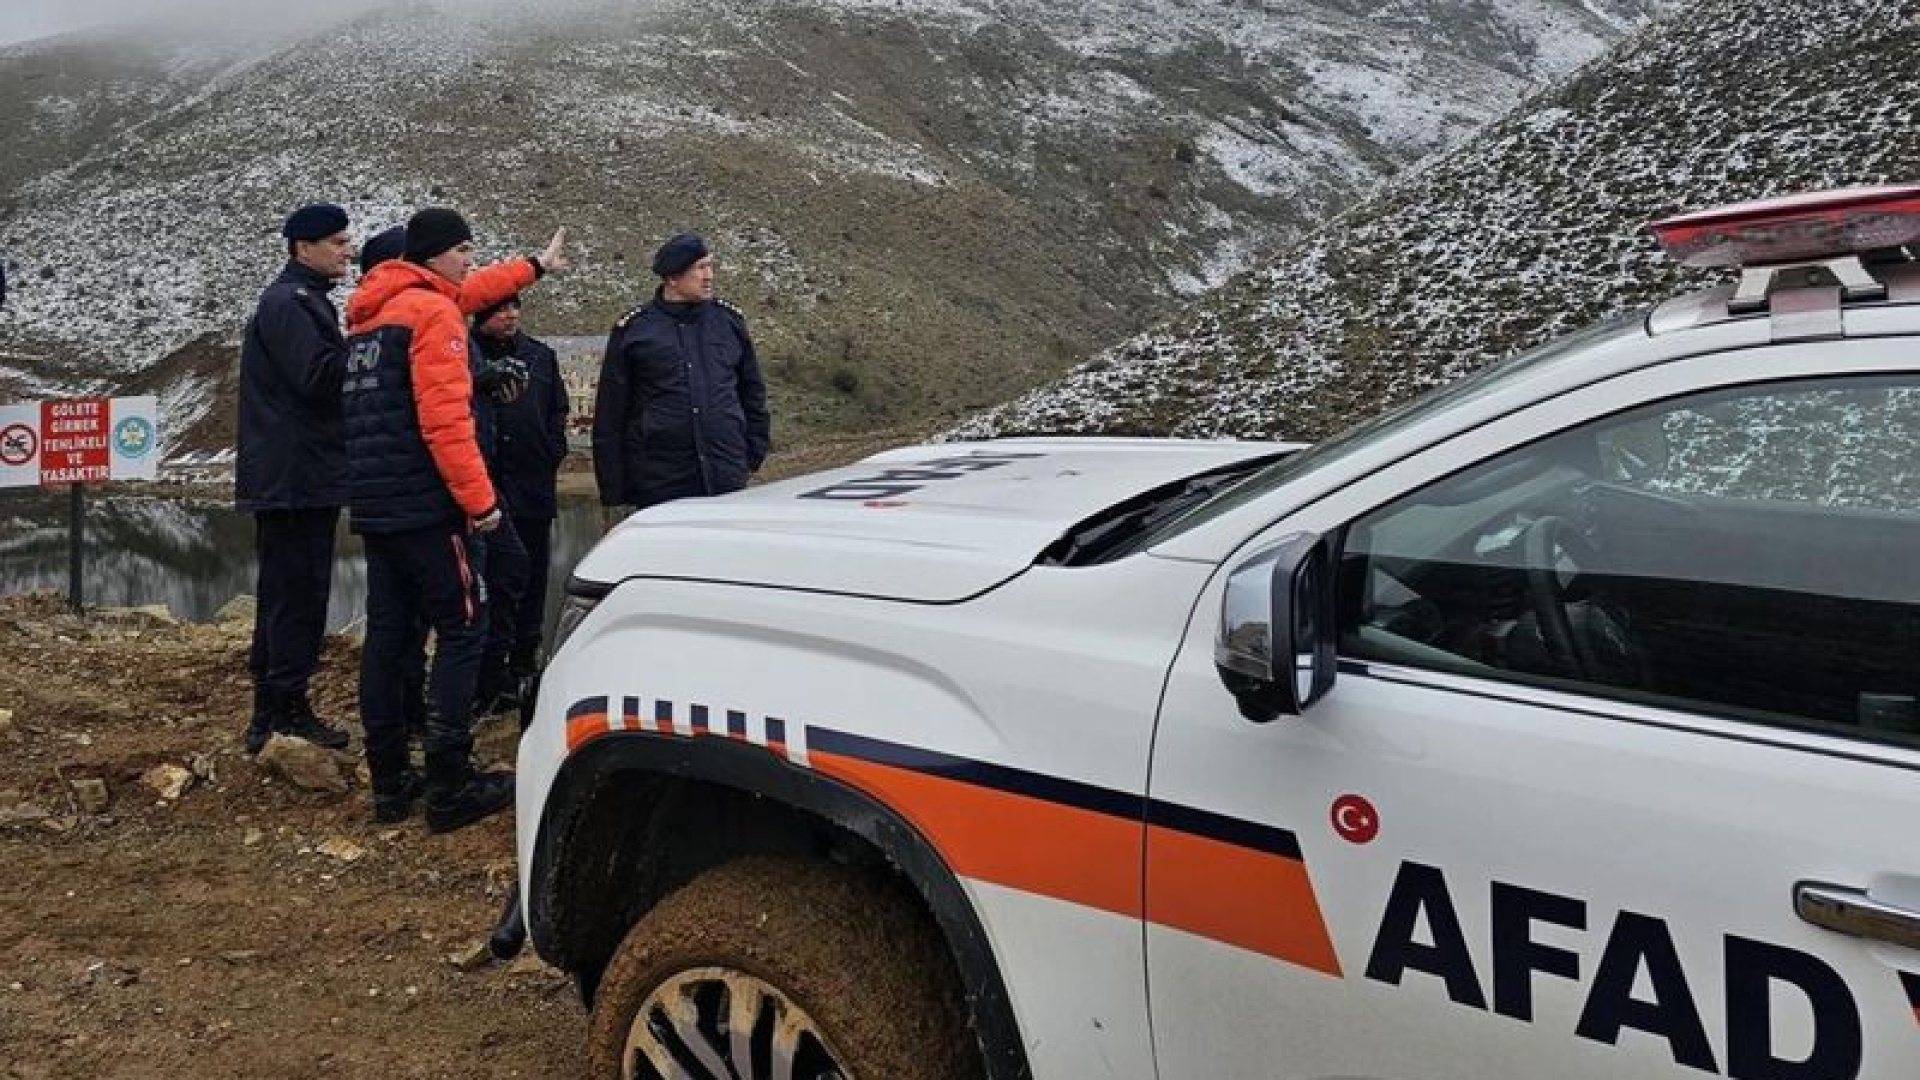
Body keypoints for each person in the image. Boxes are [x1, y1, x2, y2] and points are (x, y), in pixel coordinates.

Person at [341, 208, 565, 830]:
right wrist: (482, 505)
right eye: (464, 248)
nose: (471, 259)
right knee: (465, 628)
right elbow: (446, 424)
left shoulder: (372, 313)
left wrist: (536, 266)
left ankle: (390, 781)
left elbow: (472, 291)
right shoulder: (433, 315)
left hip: (378, 503)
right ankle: (449, 784)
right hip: (431, 505)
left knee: (388, 636)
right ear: (436, 254)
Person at [234, 203, 357, 754]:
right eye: (335, 242)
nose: (346, 250)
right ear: (302, 247)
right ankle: (281, 710)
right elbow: (317, 378)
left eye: (346, 241)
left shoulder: (306, 302)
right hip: (293, 477)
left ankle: (277, 707)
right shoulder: (289, 304)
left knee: (295, 591)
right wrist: (372, 342)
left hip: (304, 473)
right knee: (294, 594)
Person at [592, 232, 769, 513]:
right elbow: (611, 414)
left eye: (710, 266)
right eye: (700, 268)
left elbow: (752, 394)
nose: (709, 276)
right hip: (661, 481)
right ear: (672, 278)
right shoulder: (635, 330)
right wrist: (614, 490)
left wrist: (752, 454)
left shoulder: (728, 322)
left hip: (725, 475)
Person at [471, 294, 567, 714]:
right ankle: (490, 674)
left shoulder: (540, 357)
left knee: (532, 576)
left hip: (532, 487)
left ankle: (526, 661)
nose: (510, 315)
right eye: (499, 309)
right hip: (485, 492)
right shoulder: (467, 357)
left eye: (515, 307)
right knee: (492, 582)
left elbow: (557, 411)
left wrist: (550, 449)